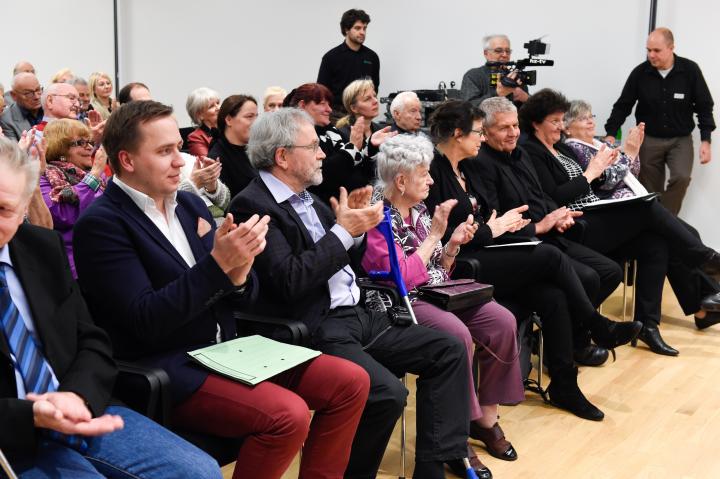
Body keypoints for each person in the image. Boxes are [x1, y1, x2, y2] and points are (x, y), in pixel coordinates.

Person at [72, 100, 371, 479]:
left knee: (350, 381)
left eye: (176, 149)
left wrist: (240, 273)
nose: (181, 162)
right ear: (127, 161)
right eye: (165, 152)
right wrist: (218, 267)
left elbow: (241, 293)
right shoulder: (102, 224)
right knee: (288, 415)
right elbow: (145, 321)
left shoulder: (189, 206)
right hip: (168, 362)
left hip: (227, 348)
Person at [229, 108, 475, 478]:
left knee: (448, 349)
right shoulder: (253, 205)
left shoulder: (308, 198)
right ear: (282, 156)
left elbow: (343, 257)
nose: (322, 153)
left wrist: (357, 230)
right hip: (313, 324)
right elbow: (289, 281)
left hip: (355, 312)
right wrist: (344, 232)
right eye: (313, 146)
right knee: (388, 394)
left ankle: (431, 468)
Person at [0, 136, 223, 479]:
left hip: (77, 405)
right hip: (10, 431)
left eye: (3, 209)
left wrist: (78, 397)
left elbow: (91, 340)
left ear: (23, 211)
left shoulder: (40, 248)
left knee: (201, 473)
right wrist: (29, 415)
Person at [425, 100, 636, 422]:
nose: (481, 139)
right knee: (550, 254)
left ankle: (565, 385)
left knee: (554, 296)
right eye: (479, 132)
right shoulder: (435, 172)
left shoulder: (465, 167)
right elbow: (443, 236)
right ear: (457, 134)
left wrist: (508, 227)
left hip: (488, 251)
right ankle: (597, 325)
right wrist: (493, 228)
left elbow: (493, 221)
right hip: (462, 265)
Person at [362, 134, 524, 468]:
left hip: (439, 292)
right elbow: (401, 279)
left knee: (501, 320)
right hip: (402, 303)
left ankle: (484, 420)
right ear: (402, 180)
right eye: (425, 174)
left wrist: (451, 245)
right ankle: (455, 441)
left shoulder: (418, 209)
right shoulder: (376, 218)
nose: (432, 181)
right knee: (456, 336)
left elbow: (440, 268)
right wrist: (436, 236)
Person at [519, 89, 720, 347]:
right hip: (574, 226)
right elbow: (557, 196)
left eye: (562, 120)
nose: (560, 126)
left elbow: (598, 182)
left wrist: (615, 161)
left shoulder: (561, 149)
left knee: (655, 243)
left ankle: (648, 325)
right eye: (555, 121)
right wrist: (593, 172)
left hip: (595, 214)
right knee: (647, 208)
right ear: (536, 123)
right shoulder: (533, 152)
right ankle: (704, 259)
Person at [604, 27, 715, 215]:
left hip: (680, 140)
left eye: (656, 50)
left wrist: (706, 140)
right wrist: (611, 133)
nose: (651, 55)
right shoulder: (640, 73)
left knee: (682, 177)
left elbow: (704, 106)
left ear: (671, 48)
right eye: (648, 50)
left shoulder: (689, 70)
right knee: (649, 188)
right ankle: (657, 225)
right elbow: (623, 105)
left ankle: (667, 220)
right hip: (649, 139)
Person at [284, 82, 389, 204]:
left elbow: (359, 172)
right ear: (302, 105)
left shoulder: (333, 132)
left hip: (352, 205)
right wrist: (352, 148)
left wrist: (370, 147)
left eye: (329, 104)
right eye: (322, 104)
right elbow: (321, 177)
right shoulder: (296, 138)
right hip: (324, 209)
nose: (329, 109)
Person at [40, 119, 107, 278]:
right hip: (74, 268)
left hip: (105, 257)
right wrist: (94, 176)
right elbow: (63, 216)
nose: (90, 147)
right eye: (81, 142)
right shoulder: (44, 176)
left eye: (90, 142)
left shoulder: (95, 175)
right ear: (60, 147)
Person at [564, 100, 645, 200]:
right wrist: (629, 155)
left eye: (590, 117)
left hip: (630, 197)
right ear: (567, 128)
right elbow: (606, 185)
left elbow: (633, 173)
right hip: (605, 203)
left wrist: (635, 148)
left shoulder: (603, 144)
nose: (590, 121)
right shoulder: (574, 148)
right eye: (582, 119)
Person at [317, 8, 380, 115]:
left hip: (363, 113)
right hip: (337, 114)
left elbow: (375, 87)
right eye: (357, 28)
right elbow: (322, 91)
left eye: (364, 28)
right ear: (346, 29)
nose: (362, 32)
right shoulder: (331, 57)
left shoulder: (372, 57)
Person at [207, 94, 259, 198]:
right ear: (229, 120)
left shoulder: (258, 149)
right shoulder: (217, 159)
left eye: (257, 116)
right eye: (249, 117)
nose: (256, 122)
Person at [460, 34, 530, 107]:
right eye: (498, 51)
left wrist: (526, 98)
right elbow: (467, 108)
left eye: (508, 51)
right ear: (486, 53)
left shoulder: (515, 76)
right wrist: (497, 94)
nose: (505, 55)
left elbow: (531, 113)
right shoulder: (473, 75)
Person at [1, 73, 44, 141]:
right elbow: (15, 150)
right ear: (14, 95)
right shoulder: (6, 119)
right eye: (28, 93)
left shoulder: (51, 108)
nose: (37, 97)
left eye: (38, 89)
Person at [185, 87, 221, 157]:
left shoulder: (229, 128)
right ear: (200, 115)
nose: (218, 108)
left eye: (218, 103)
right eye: (211, 106)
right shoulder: (196, 137)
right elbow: (209, 165)